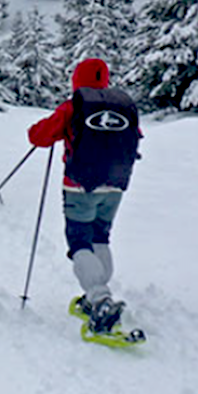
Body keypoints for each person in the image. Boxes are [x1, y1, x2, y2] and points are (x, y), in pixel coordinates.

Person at [27, 58, 141, 335]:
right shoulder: (124, 105)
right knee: (100, 237)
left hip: (79, 186)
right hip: (115, 185)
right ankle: (97, 296)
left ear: (76, 79)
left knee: (79, 240)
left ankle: (100, 300)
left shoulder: (74, 105)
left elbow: (38, 136)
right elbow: (136, 136)